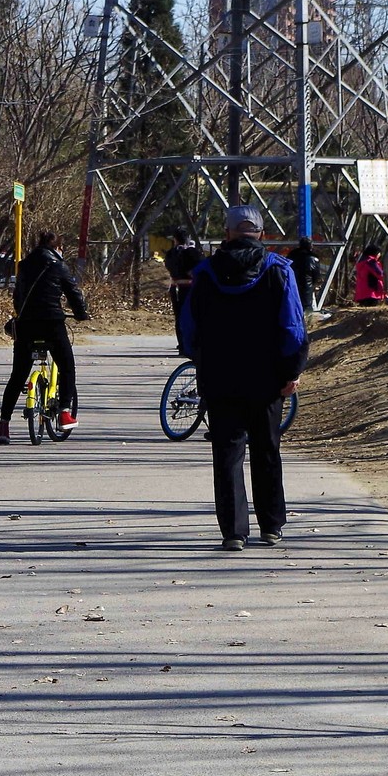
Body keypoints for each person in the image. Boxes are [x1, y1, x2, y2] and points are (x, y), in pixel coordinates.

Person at [180, 204, 308, 552]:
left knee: (227, 453)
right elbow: (293, 326)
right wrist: (292, 369)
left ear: (228, 234)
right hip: (267, 379)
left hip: (220, 376)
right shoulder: (278, 269)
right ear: (261, 234)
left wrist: (201, 358)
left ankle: (234, 532)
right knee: (266, 449)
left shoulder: (205, 273)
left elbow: (188, 329)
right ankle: (271, 526)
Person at [0, 229, 89, 443]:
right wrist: (81, 314)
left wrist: (22, 314)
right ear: (58, 248)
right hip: (52, 324)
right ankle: (65, 411)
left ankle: (3, 425)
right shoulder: (59, 266)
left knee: (18, 375)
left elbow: (18, 297)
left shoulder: (24, 266)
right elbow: (74, 294)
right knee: (67, 366)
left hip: (26, 325)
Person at [162, 226, 203, 355]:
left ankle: (182, 345)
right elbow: (199, 268)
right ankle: (192, 344)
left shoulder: (170, 254)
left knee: (179, 317)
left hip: (175, 286)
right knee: (193, 316)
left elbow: (169, 266)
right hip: (190, 287)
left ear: (175, 239)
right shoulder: (193, 253)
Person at [287, 235, 324, 313]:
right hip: (307, 286)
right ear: (310, 246)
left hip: (292, 285)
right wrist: (314, 284)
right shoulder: (313, 258)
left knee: (293, 307)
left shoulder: (292, 255)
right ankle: (307, 323)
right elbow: (316, 275)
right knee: (307, 308)